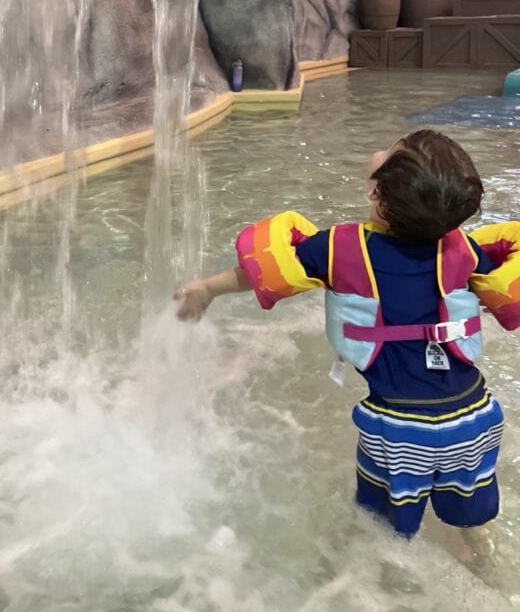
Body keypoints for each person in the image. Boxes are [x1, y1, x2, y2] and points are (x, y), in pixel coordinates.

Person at [175, 130, 520, 537]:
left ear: (378, 195)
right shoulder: (460, 249)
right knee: (470, 518)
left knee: (383, 531)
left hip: (399, 428)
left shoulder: (338, 249)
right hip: (475, 415)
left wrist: (205, 289)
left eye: (391, 150)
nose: (380, 149)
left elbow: (256, 272)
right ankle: (479, 561)